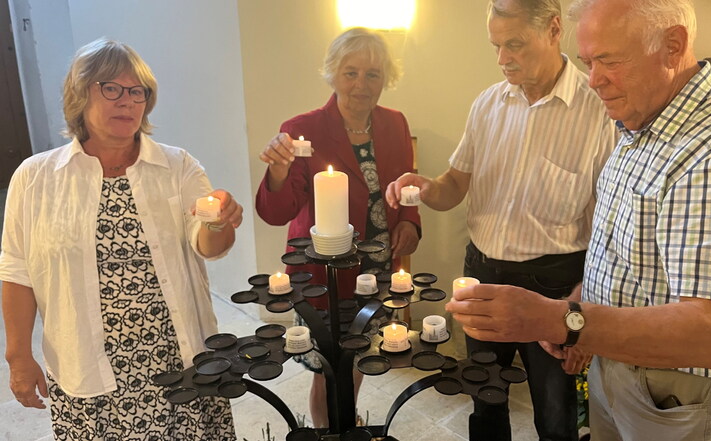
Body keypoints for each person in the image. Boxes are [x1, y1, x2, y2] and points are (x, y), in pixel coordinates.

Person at [446, 0, 711, 439]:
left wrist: (561, 320)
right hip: (621, 363)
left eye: (608, 60)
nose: (595, 80)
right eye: (589, 61)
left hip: (682, 388)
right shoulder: (641, 118)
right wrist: (577, 307)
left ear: (673, 45)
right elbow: (621, 245)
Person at [386, 0, 616, 439]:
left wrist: (581, 308)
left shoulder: (597, 110)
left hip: (556, 282)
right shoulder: (488, 104)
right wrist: (430, 188)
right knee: (485, 398)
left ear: (553, 30)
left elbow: (610, 226)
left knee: (556, 410)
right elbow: (456, 182)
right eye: (495, 45)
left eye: (514, 44)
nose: (502, 58)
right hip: (484, 275)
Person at [0, 38, 242, 440]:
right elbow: (16, 270)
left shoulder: (177, 165)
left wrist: (219, 223)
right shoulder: (35, 177)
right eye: (111, 88)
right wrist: (18, 356)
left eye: (137, 92)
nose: (126, 101)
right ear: (80, 94)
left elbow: (207, 244)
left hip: (175, 357)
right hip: (85, 366)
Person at [256, 27, 421, 428]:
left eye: (373, 74)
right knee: (329, 367)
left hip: (378, 269)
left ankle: (346, 421)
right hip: (325, 272)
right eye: (351, 72)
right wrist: (278, 172)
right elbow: (278, 211)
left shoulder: (395, 123)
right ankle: (330, 431)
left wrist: (410, 225)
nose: (361, 84)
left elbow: (408, 183)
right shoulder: (303, 128)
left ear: (386, 79)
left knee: (361, 353)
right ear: (332, 74)